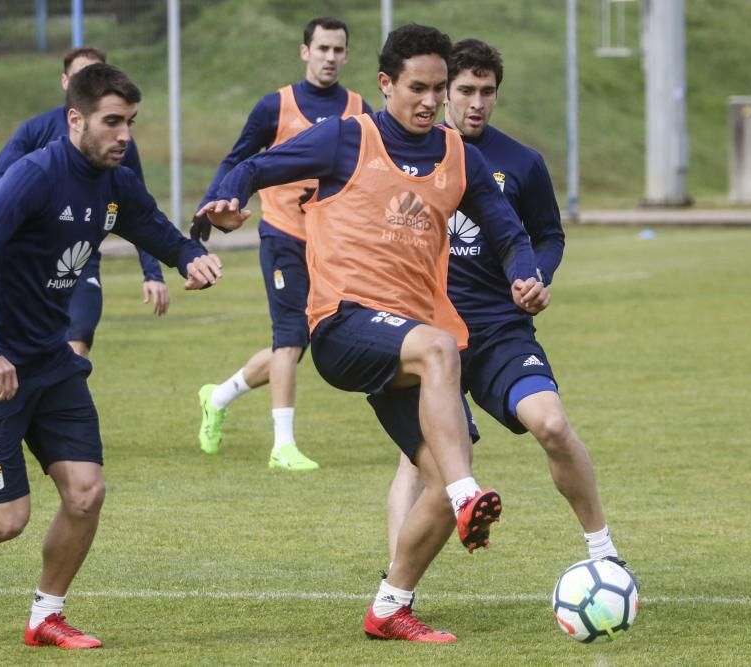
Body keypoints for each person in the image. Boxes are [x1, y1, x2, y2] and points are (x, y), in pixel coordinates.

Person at [199, 24, 544, 642]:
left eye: (440, 89)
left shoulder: (459, 154)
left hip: (406, 339)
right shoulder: (344, 139)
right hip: (343, 323)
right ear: (385, 84)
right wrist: (223, 200)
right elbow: (252, 166)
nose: (432, 101)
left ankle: (391, 605)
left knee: (440, 474)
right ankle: (469, 495)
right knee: (441, 354)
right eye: (418, 87)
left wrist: (524, 275)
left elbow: (509, 231)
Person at [0, 63, 223, 650]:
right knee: (5, 521)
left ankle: (45, 616)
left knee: (87, 492)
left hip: (53, 364)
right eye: (112, 122)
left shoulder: (115, 177)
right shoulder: (34, 176)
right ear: (76, 119)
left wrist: (188, 256)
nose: (124, 136)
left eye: (130, 122)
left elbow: (148, 225)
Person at [383, 38, 635, 578]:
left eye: (487, 92)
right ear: (443, 91)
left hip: (499, 332)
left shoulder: (522, 163)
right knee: (420, 461)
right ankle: (396, 579)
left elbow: (548, 235)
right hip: (427, 334)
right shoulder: (407, 155)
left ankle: (603, 552)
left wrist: (534, 274)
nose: (476, 102)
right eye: (465, 90)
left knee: (552, 424)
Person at [0, 47, 169, 455]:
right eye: (84, 77)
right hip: (26, 262)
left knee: (78, 338)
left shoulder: (120, 145)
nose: (121, 130)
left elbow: (141, 212)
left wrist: (154, 270)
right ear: (67, 87)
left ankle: (57, 426)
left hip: (80, 258)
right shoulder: (36, 137)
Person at [193, 16, 372, 471]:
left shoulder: (359, 108)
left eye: (338, 50)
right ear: (304, 51)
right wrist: (211, 207)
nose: (330, 57)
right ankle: (283, 446)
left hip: (329, 245)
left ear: (347, 56)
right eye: (322, 48)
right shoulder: (275, 106)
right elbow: (238, 159)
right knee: (290, 337)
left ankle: (219, 395)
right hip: (282, 236)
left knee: (297, 343)